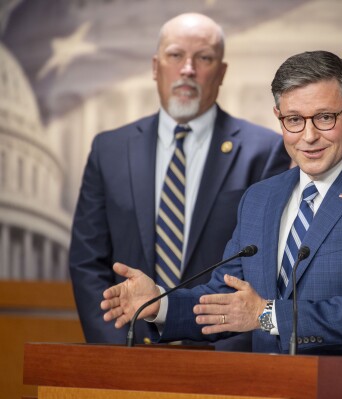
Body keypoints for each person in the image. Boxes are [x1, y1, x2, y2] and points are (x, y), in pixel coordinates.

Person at [100, 50, 342, 355]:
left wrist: (267, 315)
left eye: (325, 118)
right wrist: (159, 305)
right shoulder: (261, 198)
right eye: (294, 120)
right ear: (279, 117)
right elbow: (229, 299)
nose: (309, 135)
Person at [69, 13, 290, 349]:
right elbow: (88, 261)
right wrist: (115, 348)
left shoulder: (266, 151)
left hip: (222, 356)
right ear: (156, 67)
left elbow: (261, 267)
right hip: (128, 351)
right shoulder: (109, 149)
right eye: (176, 56)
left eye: (203, 58)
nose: (188, 69)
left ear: (221, 72)